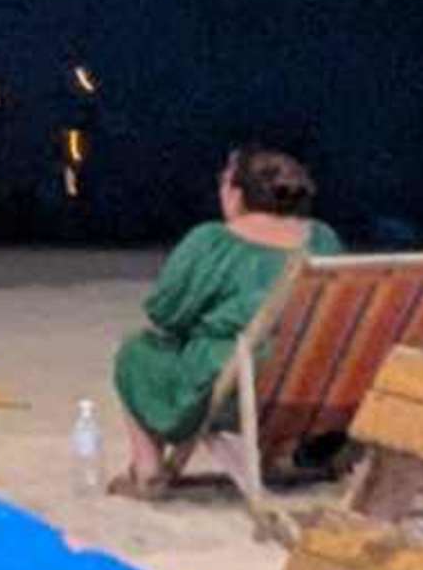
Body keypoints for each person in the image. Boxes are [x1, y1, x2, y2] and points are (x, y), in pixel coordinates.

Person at [107, 147, 341, 497]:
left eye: (224, 181)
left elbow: (165, 313)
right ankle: (278, 453)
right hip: (312, 387)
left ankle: (147, 467)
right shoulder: (322, 238)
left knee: (136, 351)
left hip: (236, 390)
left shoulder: (214, 241)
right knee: (280, 348)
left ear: (236, 193)